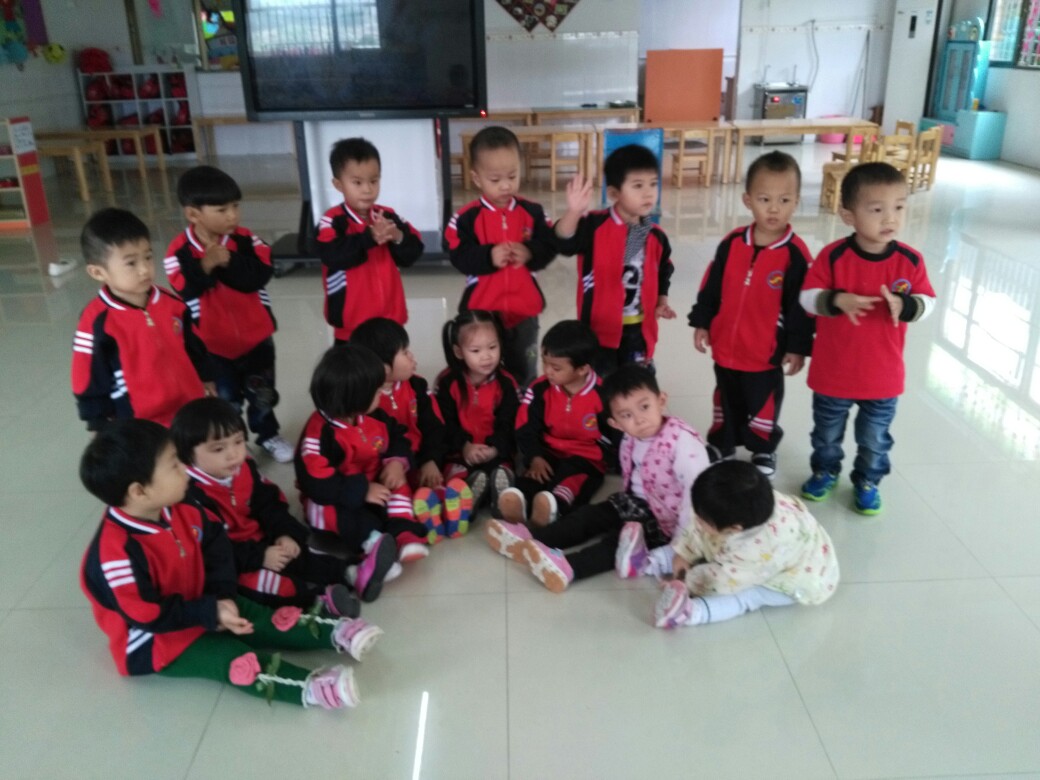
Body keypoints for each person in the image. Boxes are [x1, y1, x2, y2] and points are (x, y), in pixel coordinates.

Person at [79, 419, 384, 710]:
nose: (185, 469)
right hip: (158, 638)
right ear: (139, 491)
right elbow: (148, 614)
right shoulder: (115, 555)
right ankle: (310, 688)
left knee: (262, 617)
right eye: (174, 465)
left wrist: (222, 596)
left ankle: (335, 632)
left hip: (202, 598)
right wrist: (208, 612)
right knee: (234, 660)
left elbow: (216, 544)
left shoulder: (179, 505)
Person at [486, 365, 711, 593]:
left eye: (644, 407)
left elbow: (698, 497)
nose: (639, 419)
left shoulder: (682, 442)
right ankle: (532, 538)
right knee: (589, 516)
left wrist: (680, 547)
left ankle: (569, 567)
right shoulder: (630, 437)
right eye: (627, 415)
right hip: (637, 502)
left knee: (616, 544)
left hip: (669, 521)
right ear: (615, 424)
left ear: (661, 400)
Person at [799, 162, 935, 514]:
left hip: (883, 377)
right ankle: (825, 471)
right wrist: (836, 300)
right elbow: (806, 298)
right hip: (833, 375)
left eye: (899, 207)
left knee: (875, 439)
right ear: (849, 216)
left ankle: (868, 480)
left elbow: (928, 302)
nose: (890, 218)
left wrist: (905, 305)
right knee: (826, 434)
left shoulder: (910, 261)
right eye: (877, 210)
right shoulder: (833, 256)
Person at [171, 397, 363, 614]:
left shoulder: (244, 468)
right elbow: (213, 553)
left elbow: (269, 503)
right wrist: (260, 557)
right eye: (218, 449)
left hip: (262, 539)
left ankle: (351, 573)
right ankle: (318, 603)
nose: (233, 454)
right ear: (188, 455)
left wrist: (284, 533)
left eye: (238, 442)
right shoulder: (190, 498)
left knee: (299, 553)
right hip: (233, 561)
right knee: (269, 587)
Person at [688, 150, 814, 478]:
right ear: (747, 200)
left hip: (765, 354)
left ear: (796, 202)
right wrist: (702, 322)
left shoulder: (795, 254)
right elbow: (711, 286)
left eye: (784, 200)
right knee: (725, 399)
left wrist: (798, 347)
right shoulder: (732, 243)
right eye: (764, 199)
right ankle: (722, 443)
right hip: (726, 347)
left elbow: (801, 307)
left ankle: (763, 449)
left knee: (763, 404)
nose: (774, 209)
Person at [165, 165, 294, 463]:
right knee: (227, 401)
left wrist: (229, 261)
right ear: (193, 214)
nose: (232, 215)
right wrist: (205, 265)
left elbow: (259, 275)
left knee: (263, 395)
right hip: (213, 346)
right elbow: (184, 289)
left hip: (257, 339)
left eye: (235, 206)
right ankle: (235, 443)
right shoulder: (178, 251)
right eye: (221, 210)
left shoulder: (247, 240)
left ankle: (268, 434)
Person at [296, 343, 433, 583]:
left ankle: (403, 531)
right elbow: (319, 484)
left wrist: (396, 463)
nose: (382, 394)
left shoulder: (372, 416)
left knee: (398, 482)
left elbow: (397, 437)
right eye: (377, 391)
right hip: (337, 496)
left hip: (373, 486)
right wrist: (362, 490)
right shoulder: (318, 436)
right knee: (336, 513)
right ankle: (374, 547)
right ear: (355, 397)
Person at [72, 207, 214, 430]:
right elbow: (87, 375)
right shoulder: (96, 321)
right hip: (138, 422)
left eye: (148, 257)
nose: (145, 269)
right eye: (131, 263)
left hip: (188, 409)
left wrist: (207, 377)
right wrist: (98, 423)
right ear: (98, 272)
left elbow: (194, 346)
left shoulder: (172, 303)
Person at [655, 461, 839, 628]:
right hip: (781, 549)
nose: (696, 520)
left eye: (702, 520)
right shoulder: (750, 501)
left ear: (735, 528)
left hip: (796, 577)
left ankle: (692, 613)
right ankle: (655, 560)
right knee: (706, 537)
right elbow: (700, 530)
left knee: (747, 596)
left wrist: (687, 582)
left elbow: (722, 581)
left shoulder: (757, 549)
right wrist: (683, 553)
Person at [443, 126, 558, 385]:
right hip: (481, 312)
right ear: (477, 178)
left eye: (512, 176)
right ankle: (484, 403)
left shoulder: (533, 212)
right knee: (481, 369)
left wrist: (531, 252)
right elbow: (458, 256)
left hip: (523, 310)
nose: (506, 185)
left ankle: (523, 402)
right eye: (495, 180)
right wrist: (488, 257)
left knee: (524, 367)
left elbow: (549, 245)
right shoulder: (465, 218)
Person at [553, 145, 676, 376]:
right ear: (614, 193)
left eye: (653, 184)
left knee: (635, 383)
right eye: (638, 186)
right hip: (599, 330)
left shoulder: (654, 235)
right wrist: (574, 212)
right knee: (603, 384)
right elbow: (563, 242)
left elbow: (664, 270)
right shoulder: (594, 226)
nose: (648, 193)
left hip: (639, 328)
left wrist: (662, 300)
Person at [350, 317, 473, 540]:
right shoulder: (366, 401)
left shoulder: (417, 386)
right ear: (382, 367)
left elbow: (434, 426)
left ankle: (442, 502)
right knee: (392, 493)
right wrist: (394, 467)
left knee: (453, 468)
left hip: (421, 457)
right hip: (390, 468)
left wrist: (430, 460)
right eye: (405, 353)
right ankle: (427, 509)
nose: (412, 357)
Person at [497, 320, 615, 527]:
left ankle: (552, 508)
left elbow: (615, 435)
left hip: (586, 458)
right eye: (544, 363)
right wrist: (535, 456)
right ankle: (518, 502)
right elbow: (525, 426)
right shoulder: (540, 389)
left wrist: (606, 458)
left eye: (556, 368)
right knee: (533, 478)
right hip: (547, 453)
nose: (547, 371)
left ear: (582, 369)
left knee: (570, 484)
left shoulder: (603, 395)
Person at [315, 137, 424, 342]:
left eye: (374, 181)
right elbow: (333, 255)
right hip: (351, 327)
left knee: (393, 362)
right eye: (357, 182)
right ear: (338, 184)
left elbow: (414, 251)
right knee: (352, 364)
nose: (367, 189)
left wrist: (397, 236)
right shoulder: (332, 221)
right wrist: (370, 237)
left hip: (391, 321)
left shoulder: (387, 216)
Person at [435, 309, 520, 515]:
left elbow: (509, 422)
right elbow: (444, 422)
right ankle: (466, 496)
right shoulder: (447, 382)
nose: (487, 356)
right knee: (456, 474)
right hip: (459, 453)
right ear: (459, 352)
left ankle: (500, 496)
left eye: (493, 347)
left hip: (495, 451)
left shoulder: (506, 383)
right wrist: (464, 446)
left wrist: (495, 448)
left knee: (501, 470)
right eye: (475, 350)